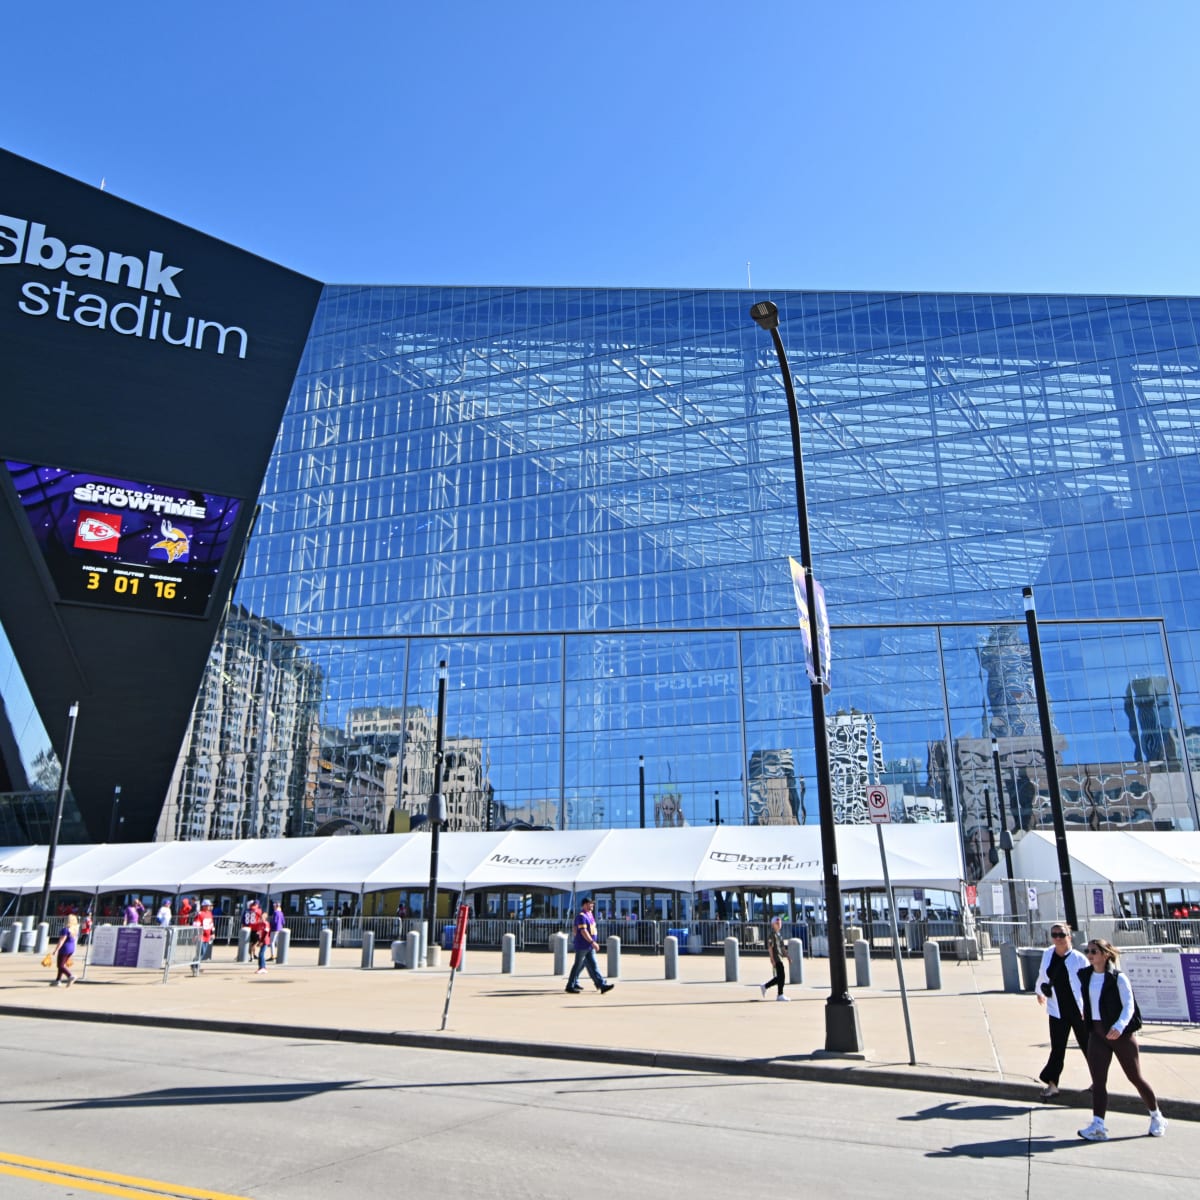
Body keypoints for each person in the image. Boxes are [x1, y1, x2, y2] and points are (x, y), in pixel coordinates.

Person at [1072, 937, 1167, 1141]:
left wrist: (1119, 1026)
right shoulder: (1085, 975)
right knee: (1098, 1082)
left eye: (1094, 952)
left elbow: (1129, 1005)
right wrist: (1084, 1012)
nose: (1089, 955)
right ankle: (1098, 1125)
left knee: (1135, 1077)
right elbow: (1084, 998)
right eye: (1088, 951)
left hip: (1119, 1034)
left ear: (1105, 954)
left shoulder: (1117, 977)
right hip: (1096, 1032)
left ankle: (1156, 1115)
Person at [1033, 922, 1088, 1097]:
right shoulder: (1048, 953)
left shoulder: (1079, 959)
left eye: (1061, 935)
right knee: (1057, 1048)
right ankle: (1053, 1085)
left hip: (1078, 1010)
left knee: (1088, 1047)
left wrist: (1089, 1007)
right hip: (1057, 1009)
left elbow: (1089, 984)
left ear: (1069, 936)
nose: (1057, 938)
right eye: (1054, 934)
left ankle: (1099, 1082)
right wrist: (1039, 991)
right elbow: (1043, 974)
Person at [564, 897, 614, 995]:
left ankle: (601, 985)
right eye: (590, 903)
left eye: (592, 904)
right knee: (577, 965)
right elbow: (583, 931)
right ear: (585, 905)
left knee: (593, 966)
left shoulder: (590, 915)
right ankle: (570, 986)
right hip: (583, 945)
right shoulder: (582, 916)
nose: (592, 905)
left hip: (588, 946)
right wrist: (592, 942)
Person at [759, 915, 789, 1001]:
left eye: (780, 923)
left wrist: (788, 956)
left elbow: (783, 948)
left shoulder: (779, 935)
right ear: (773, 924)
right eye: (777, 923)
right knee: (781, 976)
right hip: (776, 957)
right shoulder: (772, 935)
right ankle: (779, 994)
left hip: (780, 957)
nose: (779, 924)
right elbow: (770, 947)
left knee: (780, 977)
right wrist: (772, 959)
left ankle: (765, 986)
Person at [51, 913, 79, 987]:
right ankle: (58, 980)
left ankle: (70, 976)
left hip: (64, 948)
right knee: (62, 965)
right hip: (71, 948)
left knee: (60, 965)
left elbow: (62, 941)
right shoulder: (74, 930)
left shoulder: (65, 930)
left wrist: (56, 949)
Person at [193, 899, 215, 968]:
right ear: (204, 906)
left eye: (210, 906)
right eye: (208, 906)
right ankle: (196, 965)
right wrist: (196, 934)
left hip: (207, 935)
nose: (210, 907)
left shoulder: (210, 914)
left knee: (203, 952)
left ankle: (195, 964)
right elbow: (196, 924)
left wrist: (212, 933)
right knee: (200, 951)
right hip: (201, 935)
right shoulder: (200, 914)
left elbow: (211, 924)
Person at [251, 905, 272, 973]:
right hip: (261, 940)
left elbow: (266, 933)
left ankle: (263, 967)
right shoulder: (259, 924)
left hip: (265, 941)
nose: (261, 918)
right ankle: (261, 967)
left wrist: (262, 941)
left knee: (261, 954)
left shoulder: (266, 924)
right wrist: (257, 942)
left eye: (263, 917)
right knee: (260, 954)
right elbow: (258, 933)